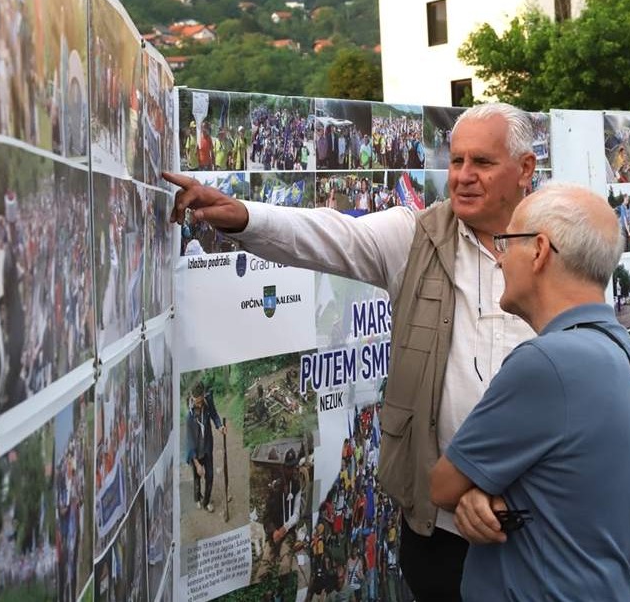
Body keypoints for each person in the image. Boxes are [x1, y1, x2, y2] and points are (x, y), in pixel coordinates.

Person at [164, 102, 539, 600]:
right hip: (440, 530)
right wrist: (244, 216)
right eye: (456, 161)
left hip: (536, 525)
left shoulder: (555, 245)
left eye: (483, 163)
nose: (464, 177)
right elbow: (329, 234)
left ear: (525, 169)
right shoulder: (415, 236)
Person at [426, 184, 630, 601]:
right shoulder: (622, 349)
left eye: (505, 243)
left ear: (538, 250)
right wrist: (481, 492)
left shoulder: (547, 363)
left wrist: (475, 490)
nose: (498, 259)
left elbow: (442, 486)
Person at [186, 382, 225, 513]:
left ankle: (206, 501)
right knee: (197, 478)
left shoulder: (207, 402)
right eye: (195, 402)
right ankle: (197, 497)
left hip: (207, 448)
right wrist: (197, 464)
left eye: (199, 401)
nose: (198, 404)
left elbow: (214, 415)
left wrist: (219, 426)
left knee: (210, 476)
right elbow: (190, 442)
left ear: (203, 396)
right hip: (195, 452)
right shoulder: (189, 417)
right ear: (192, 398)